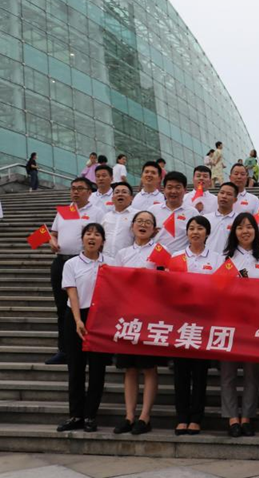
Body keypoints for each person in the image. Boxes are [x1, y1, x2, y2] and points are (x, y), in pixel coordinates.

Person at [111, 211, 167, 436]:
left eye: (148, 223)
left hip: (150, 316)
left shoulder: (160, 252)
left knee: (149, 367)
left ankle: (145, 416)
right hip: (127, 316)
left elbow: (167, 280)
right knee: (130, 368)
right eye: (139, 222)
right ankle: (129, 415)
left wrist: (148, 278)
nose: (143, 225)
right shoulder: (122, 253)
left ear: (155, 229)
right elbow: (114, 283)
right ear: (132, 226)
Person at [169, 215, 223, 435]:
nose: (195, 232)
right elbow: (169, 287)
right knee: (181, 372)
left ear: (207, 233)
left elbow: (223, 288)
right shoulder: (176, 257)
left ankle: (196, 418)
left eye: (200, 228)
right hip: (181, 322)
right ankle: (182, 417)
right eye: (191, 228)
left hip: (204, 322)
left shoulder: (217, 259)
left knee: (200, 373)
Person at [220, 213, 259, 437]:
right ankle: (232, 417)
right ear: (234, 232)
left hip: (255, 323)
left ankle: (247, 417)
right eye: (240, 227)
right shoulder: (224, 258)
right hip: (229, 322)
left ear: (256, 231)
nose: (245, 231)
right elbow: (217, 289)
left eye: (249, 227)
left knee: (252, 373)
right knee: (228, 373)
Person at [46, 177, 106, 365]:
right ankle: (64, 350)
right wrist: (52, 242)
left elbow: (103, 237)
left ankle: (92, 347)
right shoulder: (64, 211)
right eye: (73, 188)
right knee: (62, 307)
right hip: (61, 262)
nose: (75, 192)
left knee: (88, 307)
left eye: (80, 188)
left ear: (89, 192)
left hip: (85, 263)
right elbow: (53, 234)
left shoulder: (97, 211)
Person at [57, 223, 109, 433]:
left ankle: (90, 416)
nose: (92, 237)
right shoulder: (71, 264)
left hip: (100, 319)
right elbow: (72, 293)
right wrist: (78, 320)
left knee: (97, 369)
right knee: (76, 367)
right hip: (76, 316)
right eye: (88, 234)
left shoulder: (110, 263)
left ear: (103, 241)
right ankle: (76, 414)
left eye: (97, 234)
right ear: (82, 239)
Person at [150, 172, 199, 254]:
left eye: (178, 187)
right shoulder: (153, 210)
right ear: (164, 189)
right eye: (169, 187)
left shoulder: (192, 213)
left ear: (185, 190)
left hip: (181, 258)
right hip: (155, 256)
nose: (173, 191)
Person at [101, 182, 136, 257]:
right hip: (106, 259)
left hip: (128, 258)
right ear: (112, 198)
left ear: (131, 198)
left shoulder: (137, 215)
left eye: (124, 192)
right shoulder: (106, 216)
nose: (120, 194)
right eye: (117, 192)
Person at [204, 182, 238, 254]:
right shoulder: (206, 218)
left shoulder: (239, 220)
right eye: (222, 193)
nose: (224, 196)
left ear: (235, 200)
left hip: (230, 259)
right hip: (209, 259)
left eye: (229, 194)